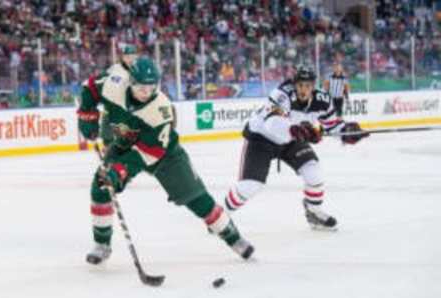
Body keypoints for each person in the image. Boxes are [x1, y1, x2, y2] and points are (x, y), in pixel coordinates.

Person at [77, 57, 255, 265]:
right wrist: (87, 115)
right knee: (101, 185)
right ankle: (102, 245)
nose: (147, 92)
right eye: (142, 87)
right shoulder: (114, 84)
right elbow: (89, 88)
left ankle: (234, 238)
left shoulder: (160, 109)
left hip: (164, 155)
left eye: (151, 87)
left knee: (197, 199)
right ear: (131, 82)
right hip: (124, 145)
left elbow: (149, 152)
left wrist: (121, 170)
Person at [224, 65, 369, 230]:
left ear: (313, 86)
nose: (303, 89)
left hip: (291, 139)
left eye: (308, 85)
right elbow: (272, 123)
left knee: (313, 172)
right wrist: (296, 130)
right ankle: (220, 217)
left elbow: (331, 125)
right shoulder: (282, 94)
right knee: (249, 186)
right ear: (294, 85)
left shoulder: (322, 100)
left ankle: (314, 212)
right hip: (261, 139)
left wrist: (346, 132)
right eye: (300, 85)